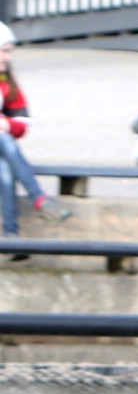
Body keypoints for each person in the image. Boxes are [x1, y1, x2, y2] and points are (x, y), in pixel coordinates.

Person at [0, 23, 71, 257]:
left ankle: (11, 235)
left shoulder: (6, 80)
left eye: (9, 51)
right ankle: (38, 198)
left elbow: (23, 122)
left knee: (4, 168)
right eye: (3, 51)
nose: (8, 57)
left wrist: (7, 124)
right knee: (7, 144)